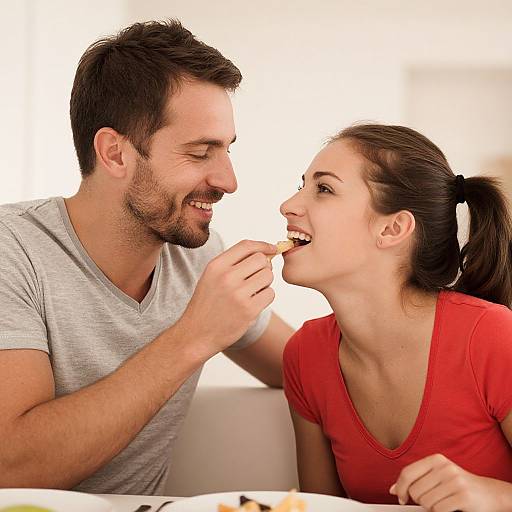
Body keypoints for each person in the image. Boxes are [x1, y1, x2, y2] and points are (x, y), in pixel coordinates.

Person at [0, 20, 293, 495]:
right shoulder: (12, 252)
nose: (228, 180)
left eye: (226, 151)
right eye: (201, 153)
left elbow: (303, 370)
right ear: (115, 153)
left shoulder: (198, 260)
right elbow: (12, 468)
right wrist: (195, 335)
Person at [280, 123, 512, 510]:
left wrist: (496, 496)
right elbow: (320, 508)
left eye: (323, 189)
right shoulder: (305, 355)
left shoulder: (492, 337)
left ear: (393, 228)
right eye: (301, 185)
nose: (288, 204)